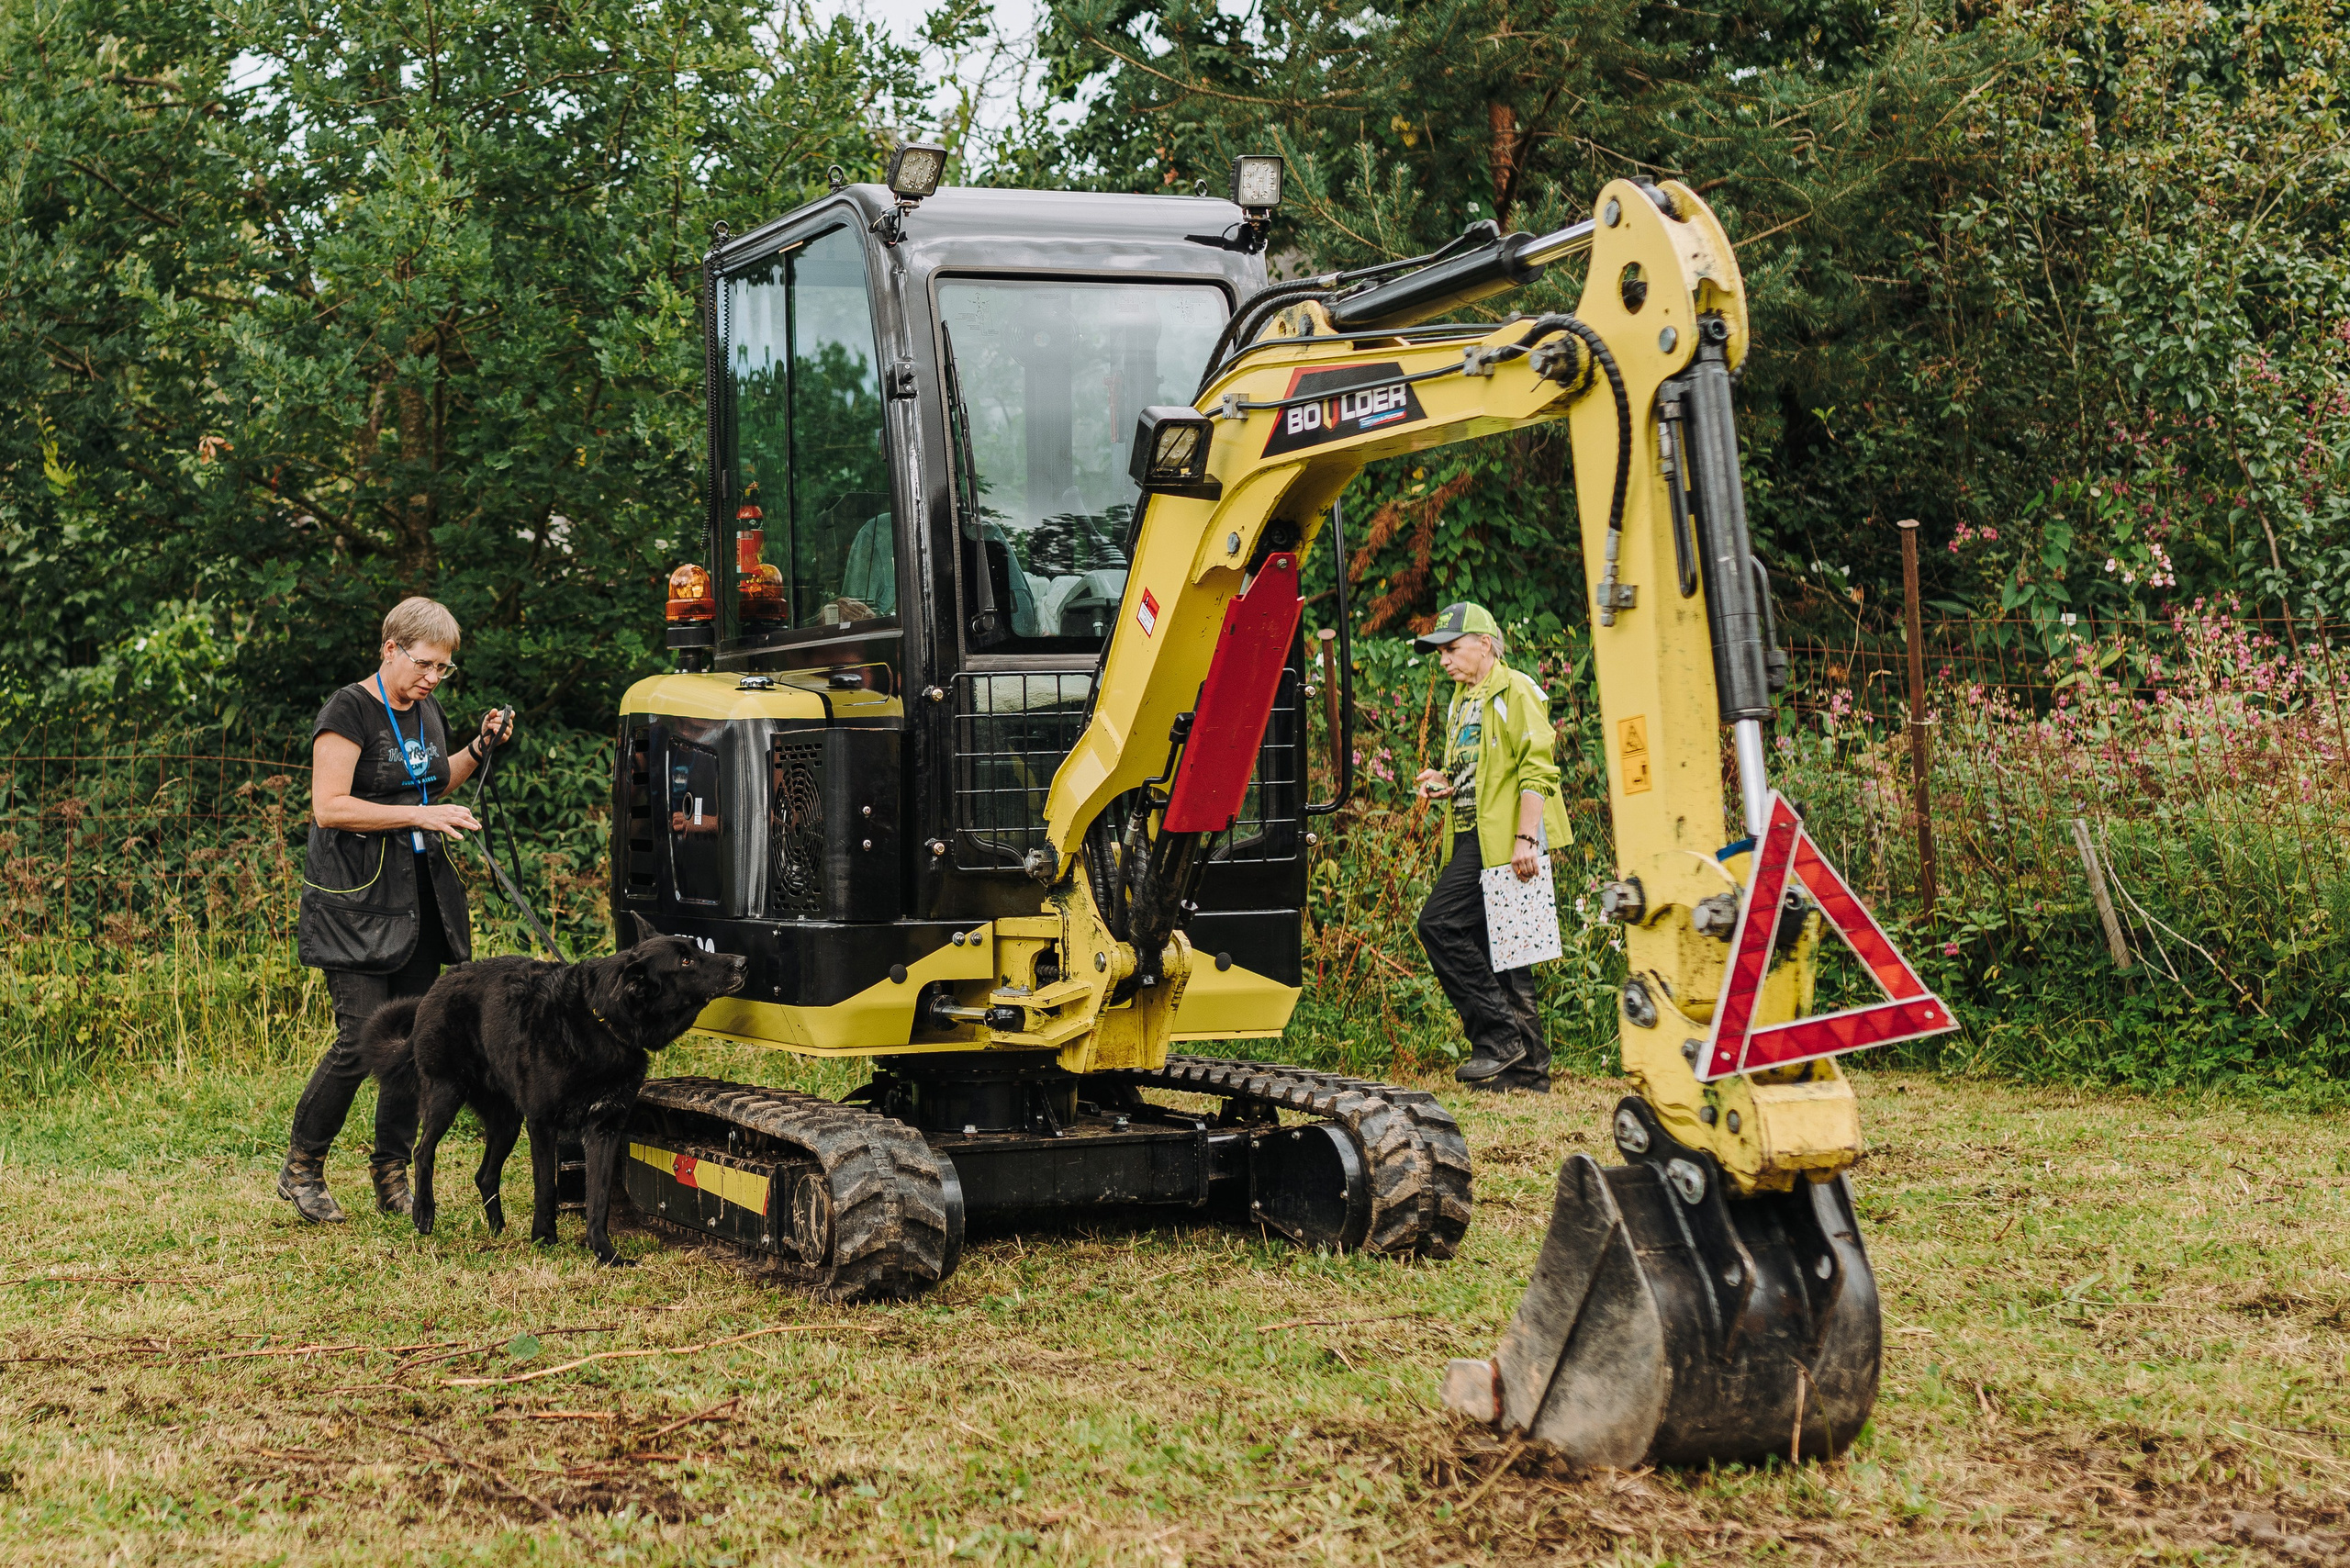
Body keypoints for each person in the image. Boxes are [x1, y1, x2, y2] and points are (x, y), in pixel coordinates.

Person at [283, 598, 513, 1223]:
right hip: (353, 907)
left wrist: (477, 746)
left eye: (444, 668)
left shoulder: (427, 711)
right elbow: (330, 806)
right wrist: (418, 814)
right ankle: (303, 1168)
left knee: (412, 1043)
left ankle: (391, 1172)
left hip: (418, 905)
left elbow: (430, 787)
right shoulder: (348, 710)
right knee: (361, 1040)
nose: (434, 677)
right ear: (391, 648)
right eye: (425, 663)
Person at [1412, 602, 1572, 1093]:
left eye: (1452, 649)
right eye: (1439, 652)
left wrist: (1526, 838)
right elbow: (1476, 770)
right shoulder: (1463, 700)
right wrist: (1444, 780)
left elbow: (1537, 770)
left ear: (1485, 644)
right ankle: (1529, 1074)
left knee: (1437, 924)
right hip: (1468, 832)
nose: (1444, 661)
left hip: (1505, 840)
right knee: (1503, 951)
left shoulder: (1516, 689)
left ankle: (1499, 1038)